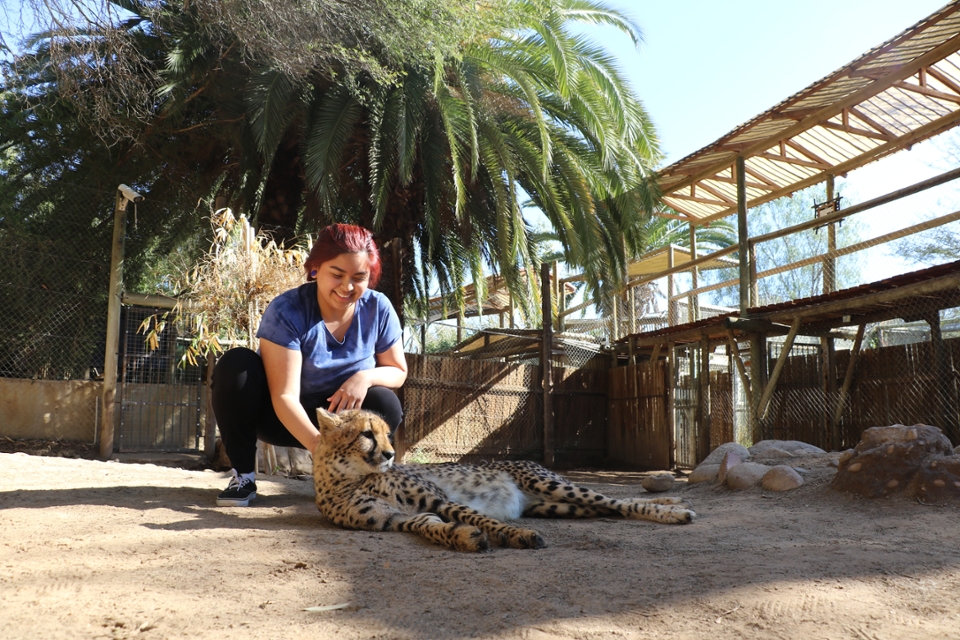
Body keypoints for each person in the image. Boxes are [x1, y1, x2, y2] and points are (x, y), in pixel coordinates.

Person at [210, 223, 407, 506]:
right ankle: (243, 476)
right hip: (279, 416)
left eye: (359, 277)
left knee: (385, 402)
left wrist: (364, 377)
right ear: (315, 269)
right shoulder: (287, 309)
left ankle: (364, 481)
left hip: (341, 421)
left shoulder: (379, 308)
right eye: (336, 274)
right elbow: (284, 396)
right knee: (235, 365)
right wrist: (321, 448)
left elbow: (398, 371)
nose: (347, 287)